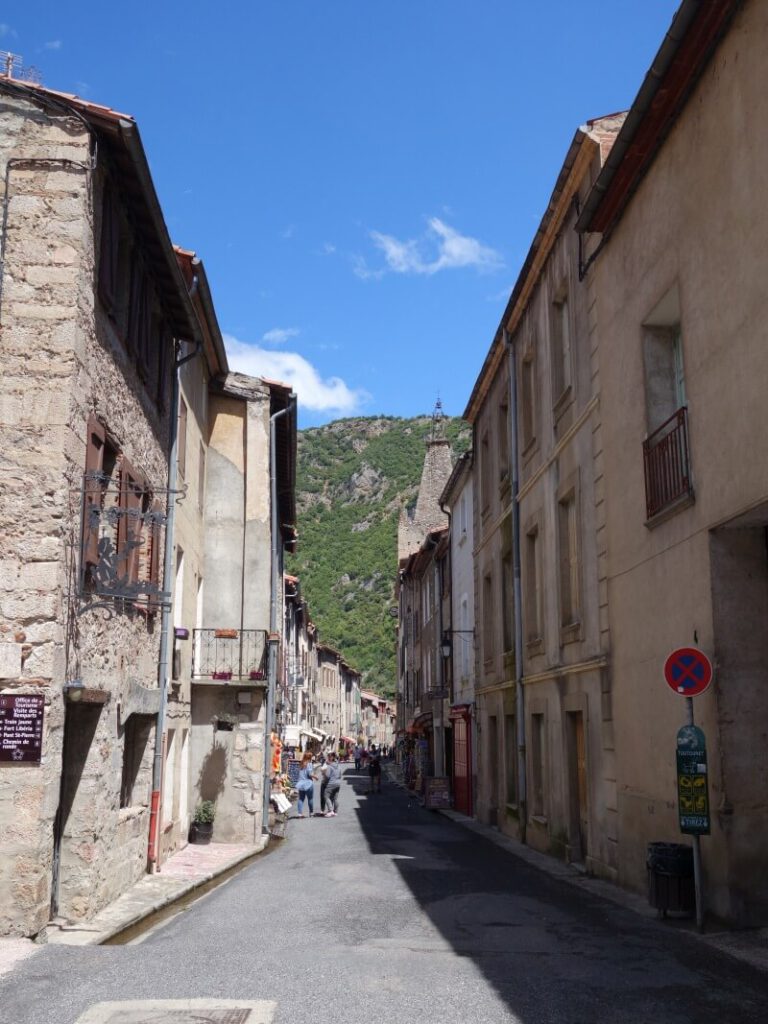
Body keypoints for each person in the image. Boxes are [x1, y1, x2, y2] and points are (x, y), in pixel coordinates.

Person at [295, 752, 317, 818]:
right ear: (310, 757)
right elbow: (309, 774)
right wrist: (315, 777)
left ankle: (299, 813)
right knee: (310, 799)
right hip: (308, 783)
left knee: (301, 799)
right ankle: (311, 813)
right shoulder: (309, 764)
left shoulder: (301, 764)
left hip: (301, 783)